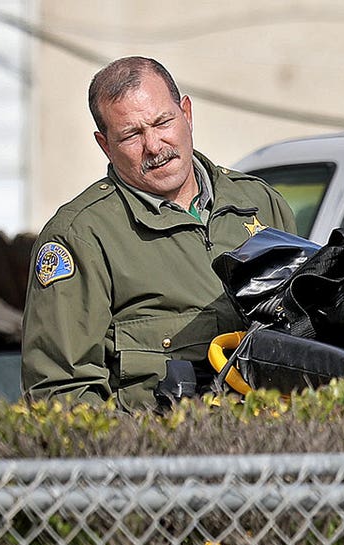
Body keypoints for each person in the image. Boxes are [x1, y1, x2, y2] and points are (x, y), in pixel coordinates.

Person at [22, 56, 295, 411]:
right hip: (162, 459)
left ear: (187, 114)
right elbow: (60, 395)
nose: (154, 145)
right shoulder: (80, 238)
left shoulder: (261, 202)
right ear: (105, 145)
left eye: (162, 122)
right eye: (131, 135)